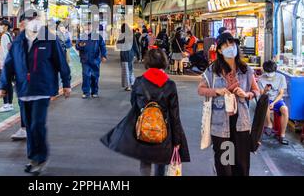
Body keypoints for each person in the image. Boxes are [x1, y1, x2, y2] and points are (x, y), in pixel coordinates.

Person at [0, 13, 71, 174]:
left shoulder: (49, 39)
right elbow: (9, 64)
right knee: (29, 127)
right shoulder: (18, 41)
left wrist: (66, 83)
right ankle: (33, 158)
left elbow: (61, 61)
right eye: (30, 20)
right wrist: (3, 85)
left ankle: (41, 157)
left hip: (42, 89)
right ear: (23, 23)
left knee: (37, 124)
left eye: (36, 19)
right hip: (24, 90)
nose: (34, 23)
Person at [101, 47, 190, 176]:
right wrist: (177, 140)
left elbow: (134, 104)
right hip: (163, 130)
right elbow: (175, 115)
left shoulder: (139, 82)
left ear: (148, 62)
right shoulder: (170, 85)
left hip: (144, 128)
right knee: (160, 163)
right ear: (164, 62)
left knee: (145, 162)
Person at [198, 32, 260, 176]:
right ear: (219, 50)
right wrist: (217, 91)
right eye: (225, 44)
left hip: (241, 125)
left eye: (232, 43)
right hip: (221, 126)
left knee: (241, 166)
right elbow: (201, 90)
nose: (230, 47)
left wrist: (246, 94)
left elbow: (256, 91)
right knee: (225, 167)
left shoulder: (246, 70)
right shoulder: (213, 70)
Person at [257, 60, 289, 145]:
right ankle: (269, 124)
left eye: (271, 72)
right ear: (264, 70)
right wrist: (265, 90)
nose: (269, 74)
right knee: (266, 103)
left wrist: (274, 103)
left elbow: (281, 93)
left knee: (285, 109)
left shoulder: (281, 77)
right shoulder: (261, 79)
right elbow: (261, 94)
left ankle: (282, 135)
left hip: (277, 100)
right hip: (266, 99)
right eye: (267, 72)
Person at [76, 23, 107, 99]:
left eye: (89, 25)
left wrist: (103, 55)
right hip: (85, 60)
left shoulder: (97, 36)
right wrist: (80, 45)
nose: (88, 27)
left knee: (94, 76)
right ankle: (86, 92)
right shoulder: (82, 36)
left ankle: (94, 91)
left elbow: (102, 46)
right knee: (86, 75)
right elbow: (77, 46)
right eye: (86, 25)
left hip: (95, 60)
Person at [0, 19, 14, 113]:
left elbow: (4, 52)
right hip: (10, 63)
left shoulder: (4, 36)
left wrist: (1, 63)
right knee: (9, 85)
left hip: (5, 64)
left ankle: (6, 104)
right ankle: (10, 104)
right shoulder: (9, 35)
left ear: (6, 26)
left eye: (1, 25)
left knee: (5, 84)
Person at [116, 24, 139, 92]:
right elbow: (135, 46)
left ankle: (128, 86)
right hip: (131, 55)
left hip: (124, 55)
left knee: (126, 71)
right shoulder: (132, 35)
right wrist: (138, 55)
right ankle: (133, 83)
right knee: (131, 70)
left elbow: (117, 46)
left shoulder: (122, 36)